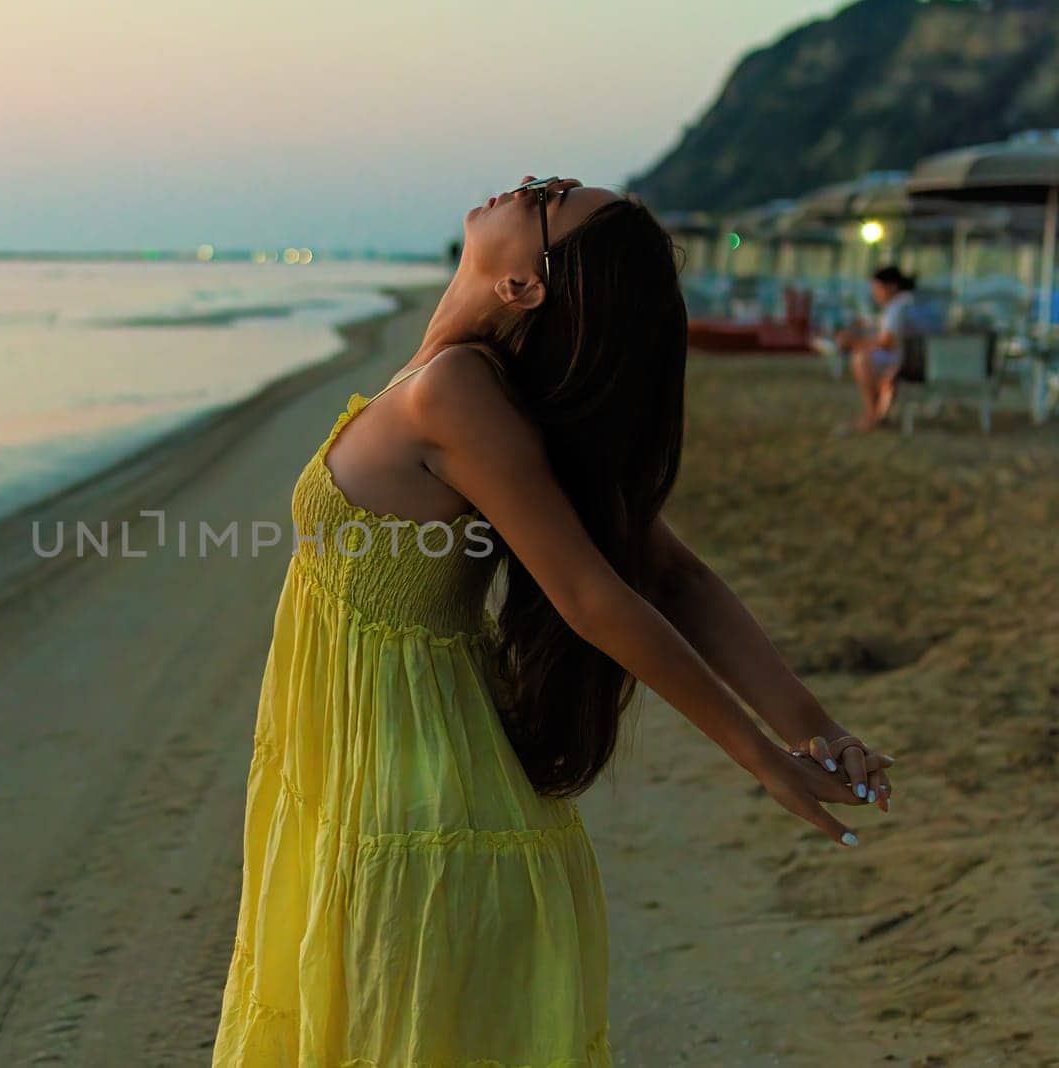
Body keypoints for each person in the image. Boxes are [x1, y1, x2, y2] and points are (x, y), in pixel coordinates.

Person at [210, 176, 896, 1067]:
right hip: (370, 770)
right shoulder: (470, 386)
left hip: (410, 790)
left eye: (549, 197)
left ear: (524, 286)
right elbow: (669, 574)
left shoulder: (456, 392)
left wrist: (772, 752)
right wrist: (813, 728)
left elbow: (602, 592)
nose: (527, 183)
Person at [835, 265, 918, 431]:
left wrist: (853, 343)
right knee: (866, 356)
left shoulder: (898, 306)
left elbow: (887, 342)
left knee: (861, 358)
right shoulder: (906, 302)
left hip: (911, 361)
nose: (875, 293)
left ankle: (874, 414)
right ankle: (877, 413)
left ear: (891, 287)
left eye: (877, 288)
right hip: (921, 357)